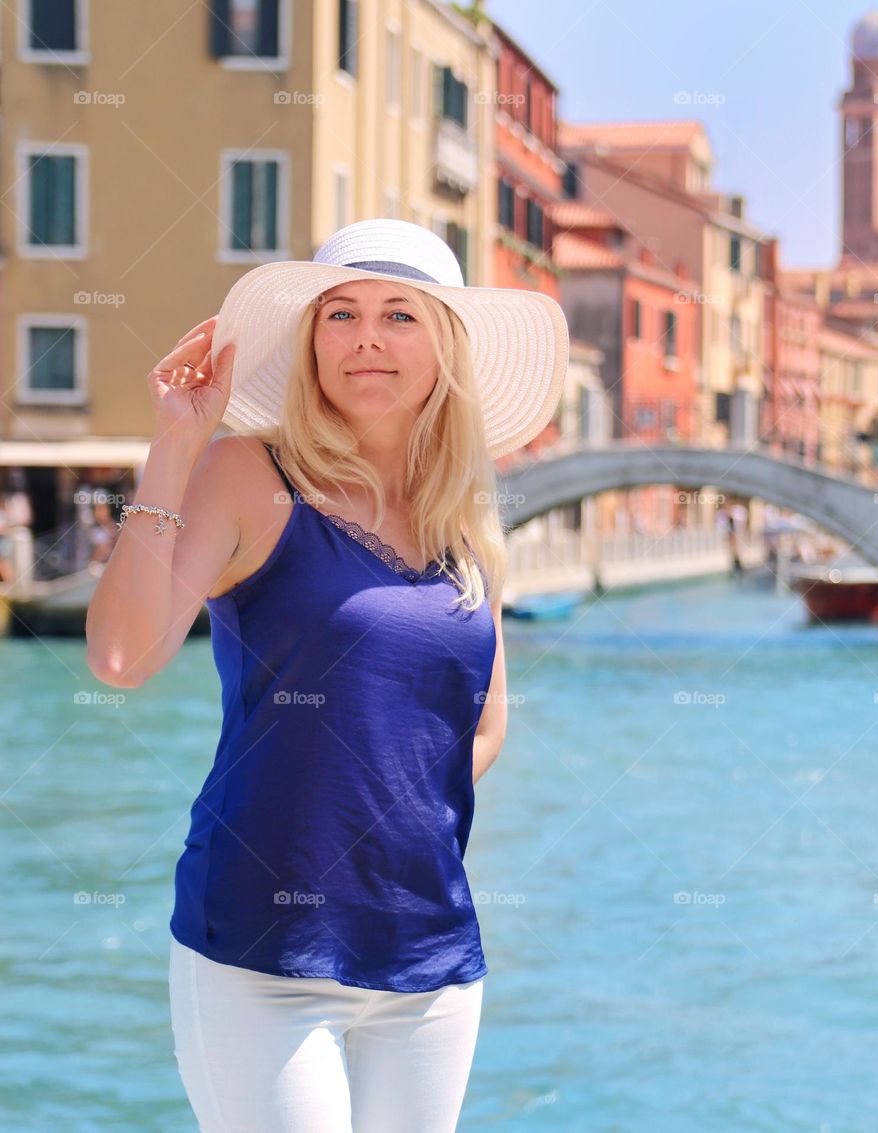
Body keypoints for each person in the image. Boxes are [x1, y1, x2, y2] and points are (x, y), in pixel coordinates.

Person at [85, 218, 569, 1132]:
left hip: (428, 951)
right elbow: (120, 657)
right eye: (339, 313)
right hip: (258, 951)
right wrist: (174, 446)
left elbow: (487, 720)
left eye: (400, 315)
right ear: (311, 341)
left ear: (444, 347)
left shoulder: (467, 516)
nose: (366, 339)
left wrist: (382, 811)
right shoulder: (246, 475)